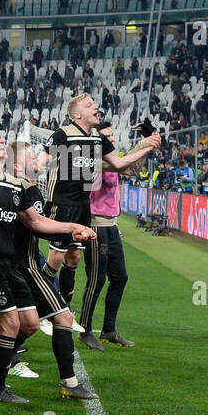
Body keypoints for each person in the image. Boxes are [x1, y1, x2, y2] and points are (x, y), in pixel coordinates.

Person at [0, 127, 97, 405]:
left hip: (18, 264)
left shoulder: (18, 185)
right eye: (28, 155)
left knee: (29, 324)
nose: (35, 158)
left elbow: (37, 222)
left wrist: (72, 229)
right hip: (10, 264)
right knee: (42, 320)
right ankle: (2, 380)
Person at [41, 94, 158, 338]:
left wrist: (147, 144)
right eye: (88, 105)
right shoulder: (70, 138)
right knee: (63, 262)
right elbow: (41, 161)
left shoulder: (97, 141)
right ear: (77, 115)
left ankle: (65, 311)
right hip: (71, 208)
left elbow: (122, 163)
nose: (96, 107)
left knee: (74, 260)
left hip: (89, 211)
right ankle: (45, 307)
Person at [78, 129, 134, 347]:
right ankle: (85, 329)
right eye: (106, 137)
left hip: (112, 224)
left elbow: (132, 168)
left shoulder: (112, 159)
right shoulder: (91, 159)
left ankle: (109, 329)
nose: (111, 139)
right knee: (97, 278)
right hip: (95, 223)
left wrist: (149, 145)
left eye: (112, 136)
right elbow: (89, 185)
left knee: (120, 277)